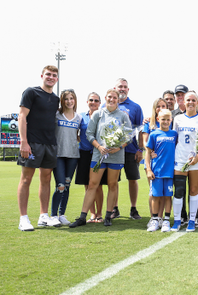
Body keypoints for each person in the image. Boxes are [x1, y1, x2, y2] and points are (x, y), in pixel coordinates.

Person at [69, 89, 132, 228]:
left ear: (118, 99)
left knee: (112, 184)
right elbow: (89, 134)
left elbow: (129, 136)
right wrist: (99, 147)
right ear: (105, 98)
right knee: (92, 184)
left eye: (114, 97)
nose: (112, 99)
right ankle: (82, 217)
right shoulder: (98, 114)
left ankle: (108, 215)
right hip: (98, 155)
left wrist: (119, 147)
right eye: (109, 97)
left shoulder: (123, 116)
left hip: (116, 156)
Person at [17, 65, 62, 231]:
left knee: (46, 179)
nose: (51, 77)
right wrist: (23, 141)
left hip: (50, 143)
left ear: (57, 79)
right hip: (32, 143)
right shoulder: (31, 92)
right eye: (48, 74)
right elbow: (22, 116)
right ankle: (23, 218)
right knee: (26, 179)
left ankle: (44, 216)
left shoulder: (56, 99)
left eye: (54, 75)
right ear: (42, 75)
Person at [172, 91, 198, 232]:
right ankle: (177, 220)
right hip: (180, 159)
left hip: (196, 160)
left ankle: (192, 220)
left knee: (193, 189)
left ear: (197, 102)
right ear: (184, 101)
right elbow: (175, 139)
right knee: (179, 190)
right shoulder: (178, 119)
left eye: (193, 100)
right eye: (188, 100)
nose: (191, 102)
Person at [110, 78, 144, 220]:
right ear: (115, 89)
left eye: (125, 87)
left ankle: (133, 209)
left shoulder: (135, 107)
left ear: (128, 90)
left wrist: (140, 149)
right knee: (113, 181)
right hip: (114, 151)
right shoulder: (109, 107)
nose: (122, 89)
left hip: (131, 150)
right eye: (120, 86)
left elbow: (141, 130)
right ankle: (114, 208)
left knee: (132, 179)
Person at [75, 92, 110, 223]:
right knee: (87, 185)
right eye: (91, 100)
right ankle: (92, 214)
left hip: (98, 153)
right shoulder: (81, 117)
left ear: (100, 103)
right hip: (84, 153)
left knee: (98, 185)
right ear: (87, 101)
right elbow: (75, 130)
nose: (93, 102)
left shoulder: (103, 116)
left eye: (96, 100)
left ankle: (100, 214)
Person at [51, 89, 82, 226]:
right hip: (58, 155)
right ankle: (53, 215)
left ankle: (62, 215)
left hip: (73, 156)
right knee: (60, 186)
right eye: (66, 99)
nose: (69, 101)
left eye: (72, 98)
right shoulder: (56, 115)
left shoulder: (79, 118)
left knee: (67, 185)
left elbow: (79, 136)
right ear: (62, 101)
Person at [145, 109, 178, 232]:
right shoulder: (154, 134)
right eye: (163, 119)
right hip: (157, 172)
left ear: (171, 120)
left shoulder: (174, 134)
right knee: (156, 196)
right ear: (158, 119)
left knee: (168, 196)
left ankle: (166, 221)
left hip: (169, 172)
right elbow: (148, 153)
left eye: (168, 119)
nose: (165, 122)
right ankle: (154, 220)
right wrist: (148, 169)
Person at [143, 98, 168, 230]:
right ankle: (153, 217)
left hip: (164, 163)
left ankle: (160, 217)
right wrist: (150, 151)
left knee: (163, 192)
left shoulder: (168, 122)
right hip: (151, 162)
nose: (160, 108)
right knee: (153, 192)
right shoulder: (149, 123)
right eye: (158, 106)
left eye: (163, 106)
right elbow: (144, 141)